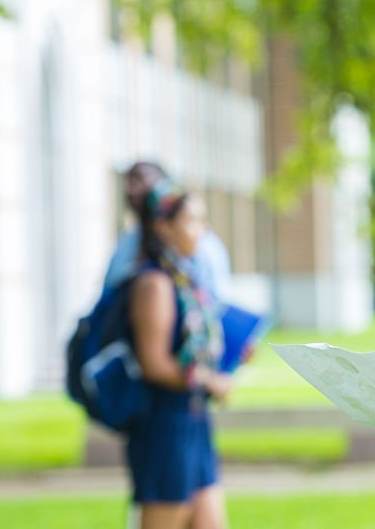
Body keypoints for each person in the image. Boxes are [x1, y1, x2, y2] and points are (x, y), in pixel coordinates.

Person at [126, 180, 231, 529]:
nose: (202, 230)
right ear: (162, 226)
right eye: (193, 220)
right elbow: (153, 363)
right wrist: (209, 380)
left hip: (195, 421)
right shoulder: (154, 283)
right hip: (164, 427)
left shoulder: (185, 277)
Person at [105, 161, 235, 305]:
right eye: (130, 182)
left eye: (140, 179)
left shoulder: (202, 248)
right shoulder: (154, 281)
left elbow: (219, 302)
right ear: (163, 227)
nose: (132, 190)